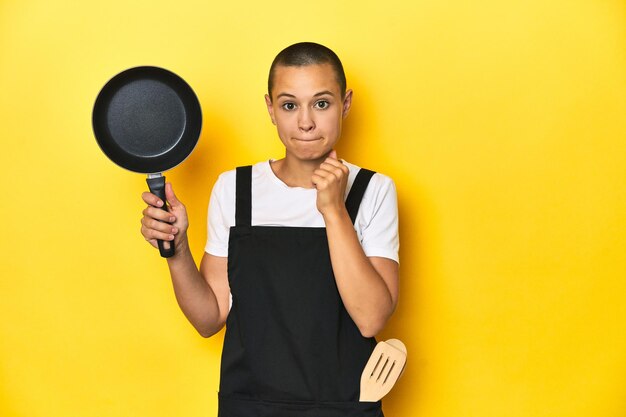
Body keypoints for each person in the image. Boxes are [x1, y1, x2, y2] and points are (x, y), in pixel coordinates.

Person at [140, 42, 399, 417]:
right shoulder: (235, 189)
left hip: (344, 406)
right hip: (249, 407)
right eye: (290, 105)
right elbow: (209, 319)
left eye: (322, 103)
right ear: (270, 109)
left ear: (345, 103)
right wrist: (177, 249)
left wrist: (333, 211)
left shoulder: (372, 190)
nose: (306, 121)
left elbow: (371, 318)